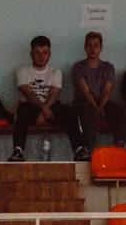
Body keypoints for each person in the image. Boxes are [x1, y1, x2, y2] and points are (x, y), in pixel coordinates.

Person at [9, 35, 86, 164]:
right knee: (22, 112)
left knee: (71, 113)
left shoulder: (56, 72)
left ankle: (79, 149)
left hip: (51, 106)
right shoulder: (22, 71)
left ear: (49, 54)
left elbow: (54, 94)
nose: (41, 56)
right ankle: (18, 150)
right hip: (31, 106)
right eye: (37, 53)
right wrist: (43, 109)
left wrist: (45, 110)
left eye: (44, 53)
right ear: (31, 54)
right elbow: (28, 93)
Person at [71, 31, 126, 155]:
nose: (92, 49)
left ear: (101, 48)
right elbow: (85, 90)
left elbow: (107, 90)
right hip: (84, 101)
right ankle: (91, 150)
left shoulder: (108, 67)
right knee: (88, 111)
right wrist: (96, 107)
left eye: (96, 45)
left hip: (102, 100)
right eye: (89, 45)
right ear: (85, 47)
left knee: (119, 110)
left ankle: (120, 146)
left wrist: (101, 106)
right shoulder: (78, 67)